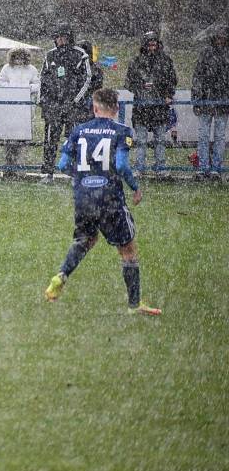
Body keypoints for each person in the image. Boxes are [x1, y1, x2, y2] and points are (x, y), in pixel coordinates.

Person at [43, 88, 160, 316]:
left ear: (95, 108)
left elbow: (62, 165)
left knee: (85, 240)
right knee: (128, 250)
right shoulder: (121, 131)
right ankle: (134, 305)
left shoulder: (78, 130)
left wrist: (83, 177)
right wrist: (135, 188)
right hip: (110, 199)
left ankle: (61, 275)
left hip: (84, 198)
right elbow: (122, 165)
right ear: (116, 109)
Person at [38, 22, 93, 183]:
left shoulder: (80, 54)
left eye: (63, 37)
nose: (60, 40)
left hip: (73, 107)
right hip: (54, 106)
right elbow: (44, 78)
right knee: (50, 140)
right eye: (58, 37)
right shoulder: (50, 55)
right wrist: (44, 100)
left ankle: (77, 173)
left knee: (75, 140)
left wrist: (75, 100)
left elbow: (87, 78)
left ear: (69, 38)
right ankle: (47, 173)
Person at [124, 31, 177, 174]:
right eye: (149, 44)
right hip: (142, 106)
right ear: (145, 45)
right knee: (141, 140)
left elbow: (172, 81)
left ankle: (160, 167)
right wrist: (141, 87)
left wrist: (168, 94)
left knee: (160, 139)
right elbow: (128, 83)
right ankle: (140, 167)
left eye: (154, 44)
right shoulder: (136, 61)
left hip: (159, 106)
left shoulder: (165, 61)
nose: (152, 47)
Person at [192, 24, 229, 179]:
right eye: (219, 36)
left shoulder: (226, 54)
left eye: (223, 36)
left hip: (222, 102)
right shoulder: (206, 54)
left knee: (220, 136)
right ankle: (203, 168)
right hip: (206, 101)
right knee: (204, 136)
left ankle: (216, 168)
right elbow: (197, 77)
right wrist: (197, 99)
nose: (221, 39)